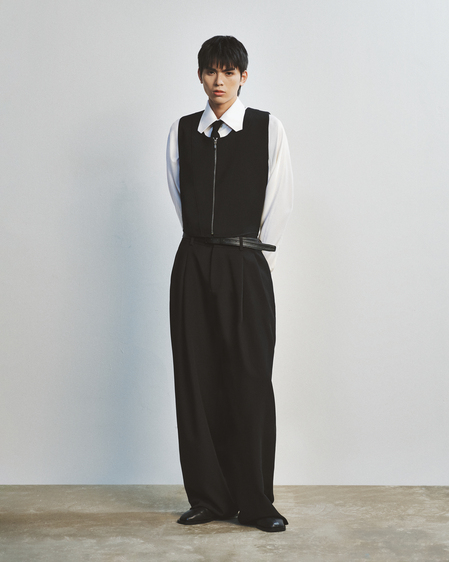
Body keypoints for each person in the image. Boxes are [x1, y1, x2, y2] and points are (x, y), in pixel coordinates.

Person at [166, 35, 293, 533]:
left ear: (243, 76)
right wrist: (204, 248)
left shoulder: (267, 128)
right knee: (196, 381)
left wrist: (254, 262)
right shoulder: (182, 131)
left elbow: (279, 202)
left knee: (250, 381)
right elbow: (180, 197)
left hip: (246, 261)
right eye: (210, 71)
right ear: (200, 75)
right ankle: (209, 498)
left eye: (228, 72)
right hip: (194, 263)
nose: (218, 81)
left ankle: (256, 501)